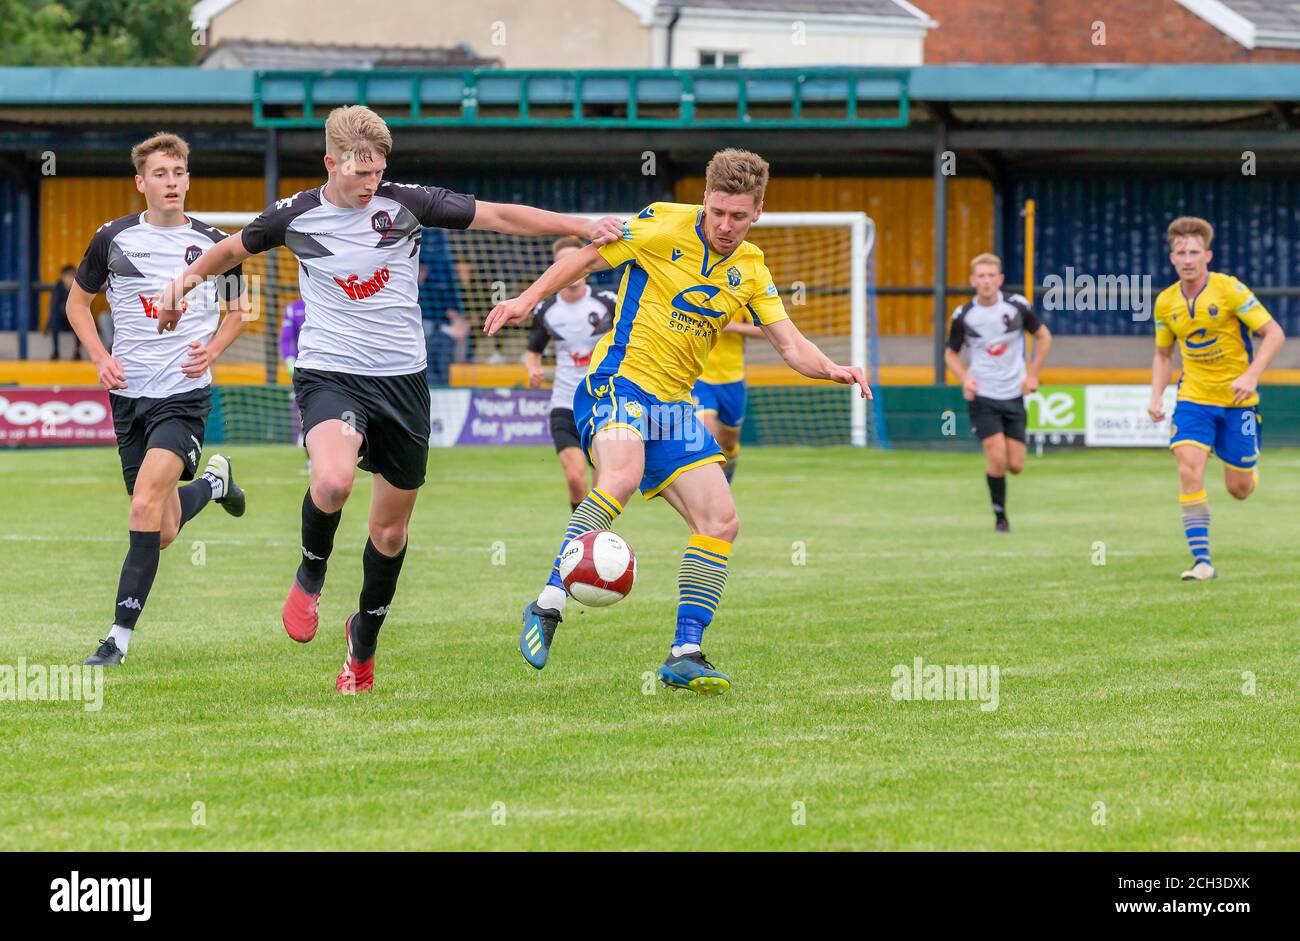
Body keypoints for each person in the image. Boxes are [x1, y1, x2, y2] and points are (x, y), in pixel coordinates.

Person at [156, 105, 621, 693]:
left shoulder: (407, 202)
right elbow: (228, 253)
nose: (371, 184)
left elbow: (499, 215)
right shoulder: (296, 214)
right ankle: (310, 574)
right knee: (332, 481)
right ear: (331, 163)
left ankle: (363, 645)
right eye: (360, 174)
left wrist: (577, 226)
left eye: (378, 172)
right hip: (331, 372)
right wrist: (179, 288)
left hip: (403, 382)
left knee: (390, 535)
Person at [485, 148, 869, 695]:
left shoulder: (752, 270)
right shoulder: (663, 221)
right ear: (705, 202)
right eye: (718, 212)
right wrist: (528, 299)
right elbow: (589, 258)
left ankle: (685, 652)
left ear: (757, 211)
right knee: (618, 475)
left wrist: (831, 368)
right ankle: (547, 603)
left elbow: (789, 343)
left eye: (739, 216)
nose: (726, 225)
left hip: (674, 407)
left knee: (720, 520)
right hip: (617, 383)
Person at [63, 131, 249, 667]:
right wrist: (100, 356)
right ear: (141, 183)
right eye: (161, 175)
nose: (172, 183)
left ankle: (116, 639)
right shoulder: (112, 237)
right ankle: (214, 484)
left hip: (183, 398)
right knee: (161, 529)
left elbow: (241, 310)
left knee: (143, 504)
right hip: (129, 398)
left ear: (189, 179)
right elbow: (78, 304)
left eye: (179, 173)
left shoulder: (217, 245)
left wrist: (212, 349)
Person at [1147, 216, 1285, 581]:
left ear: (1208, 255)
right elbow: (1163, 354)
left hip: (1238, 401)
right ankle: (1202, 561)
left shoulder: (1229, 289)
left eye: (1194, 252)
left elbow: (1273, 333)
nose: (1188, 259)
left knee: (1238, 490)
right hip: (1193, 398)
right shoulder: (1165, 303)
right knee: (1188, 469)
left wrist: (1252, 373)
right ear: (1172, 258)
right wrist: (1156, 394)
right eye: (1181, 252)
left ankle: (1249, 468)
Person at [943, 253, 1052, 533]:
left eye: (992, 276)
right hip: (983, 396)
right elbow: (951, 353)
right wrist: (965, 379)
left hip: (1013, 393)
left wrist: (1033, 373)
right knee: (997, 457)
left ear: (1000, 279)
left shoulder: (1017, 307)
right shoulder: (964, 315)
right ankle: (1000, 517)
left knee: (1015, 465)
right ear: (973, 280)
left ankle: (1000, 503)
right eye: (981, 276)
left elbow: (1043, 336)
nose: (987, 281)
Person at [524, 235, 616, 510]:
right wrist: (533, 369)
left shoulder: (608, 302)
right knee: (576, 478)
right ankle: (582, 535)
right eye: (562, 263)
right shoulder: (547, 310)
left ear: (586, 265)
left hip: (603, 402)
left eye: (575, 261)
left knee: (604, 485)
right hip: (565, 403)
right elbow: (533, 351)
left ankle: (595, 540)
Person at [692, 308, 762, 483]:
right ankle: (707, 490)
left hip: (733, 380)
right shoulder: (698, 292)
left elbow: (767, 330)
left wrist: (734, 327)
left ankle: (728, 468)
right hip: (701, 378)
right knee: (705, 436)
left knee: (729, 443)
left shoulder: (742, 295)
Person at [418, 228, 468, 386]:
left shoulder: (444, 277)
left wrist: (455, 318)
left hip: (439, 327)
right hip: (419, 326)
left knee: (442, 353)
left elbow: (453, 309)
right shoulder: (411, 284)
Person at [46, 265, 82, 360]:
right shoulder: (58, 288)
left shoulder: (79, 287)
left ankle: (77, 351)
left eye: (72, 275)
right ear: (63, 277)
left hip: (74, 318)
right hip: (62, 318)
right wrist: (48, 324)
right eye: (68, 276)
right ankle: (55, 351)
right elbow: (54, 307)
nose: (70, 278)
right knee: (55, 320)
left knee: (79, 321)